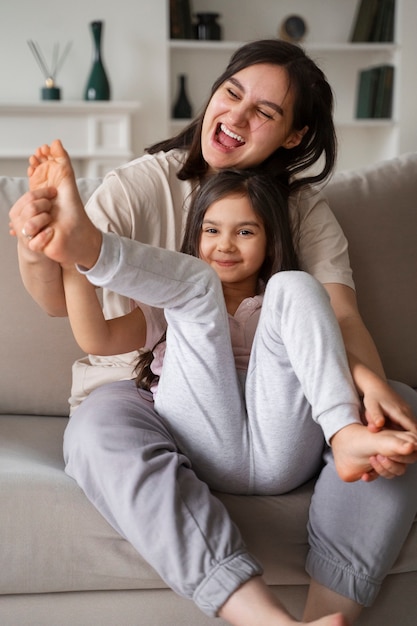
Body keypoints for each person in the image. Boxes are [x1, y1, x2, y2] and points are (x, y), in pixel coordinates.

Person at [9, 39, 417, 626]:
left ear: (294, 136)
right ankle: (262, 619)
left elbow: (339, 316)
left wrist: (371, 388)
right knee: (106, 417)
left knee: (400, 408)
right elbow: (71, 313)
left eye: (266, 112)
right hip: (161, 394)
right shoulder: (141, 188)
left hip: (276, 410)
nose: (237, 116)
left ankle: (333, 612)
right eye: (232, 93)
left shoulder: (299, 211)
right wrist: (41, 246)